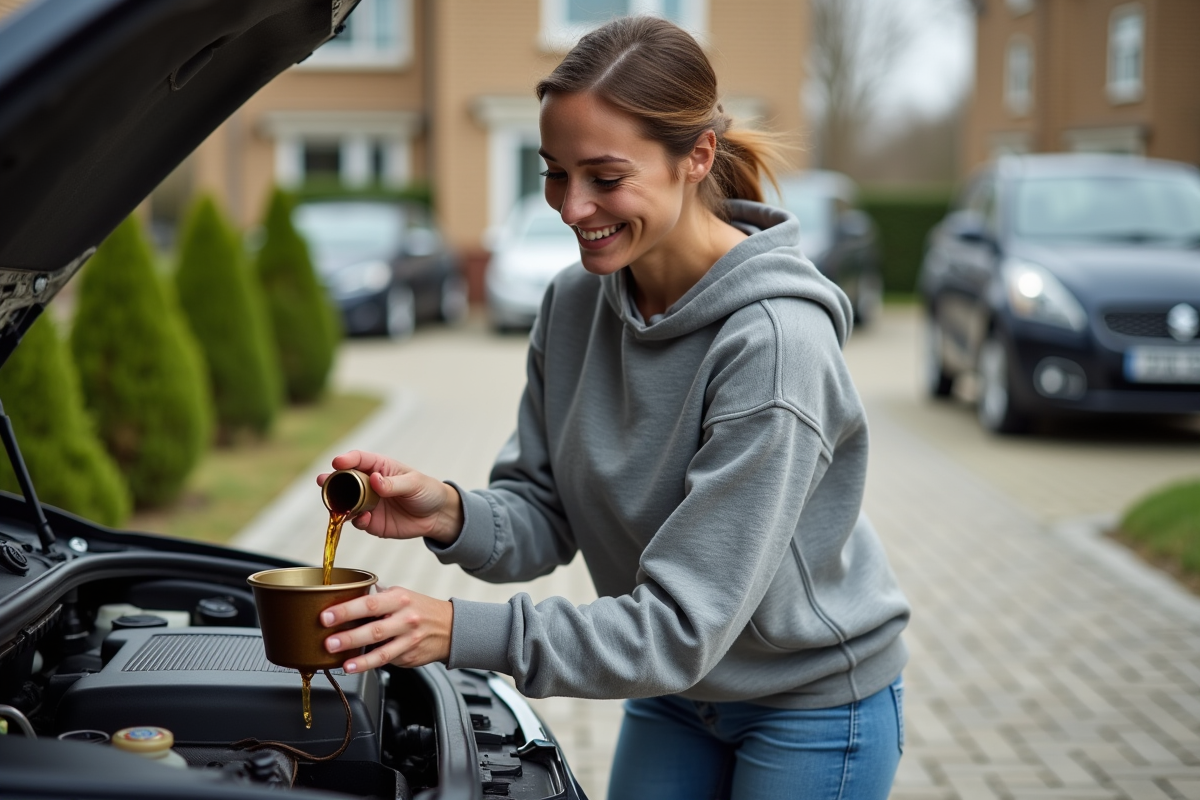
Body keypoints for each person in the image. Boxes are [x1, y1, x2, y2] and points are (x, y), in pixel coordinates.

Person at [315, 16, 910, 800]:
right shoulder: (573, 303)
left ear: (696, 157)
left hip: (806, 703)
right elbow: (546, 509)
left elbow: (679, 626)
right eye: (554, 173)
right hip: (676, 694)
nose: (570, 206)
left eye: (603, 175)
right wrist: (447, 513)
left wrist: (458, 630)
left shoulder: (773, 344)